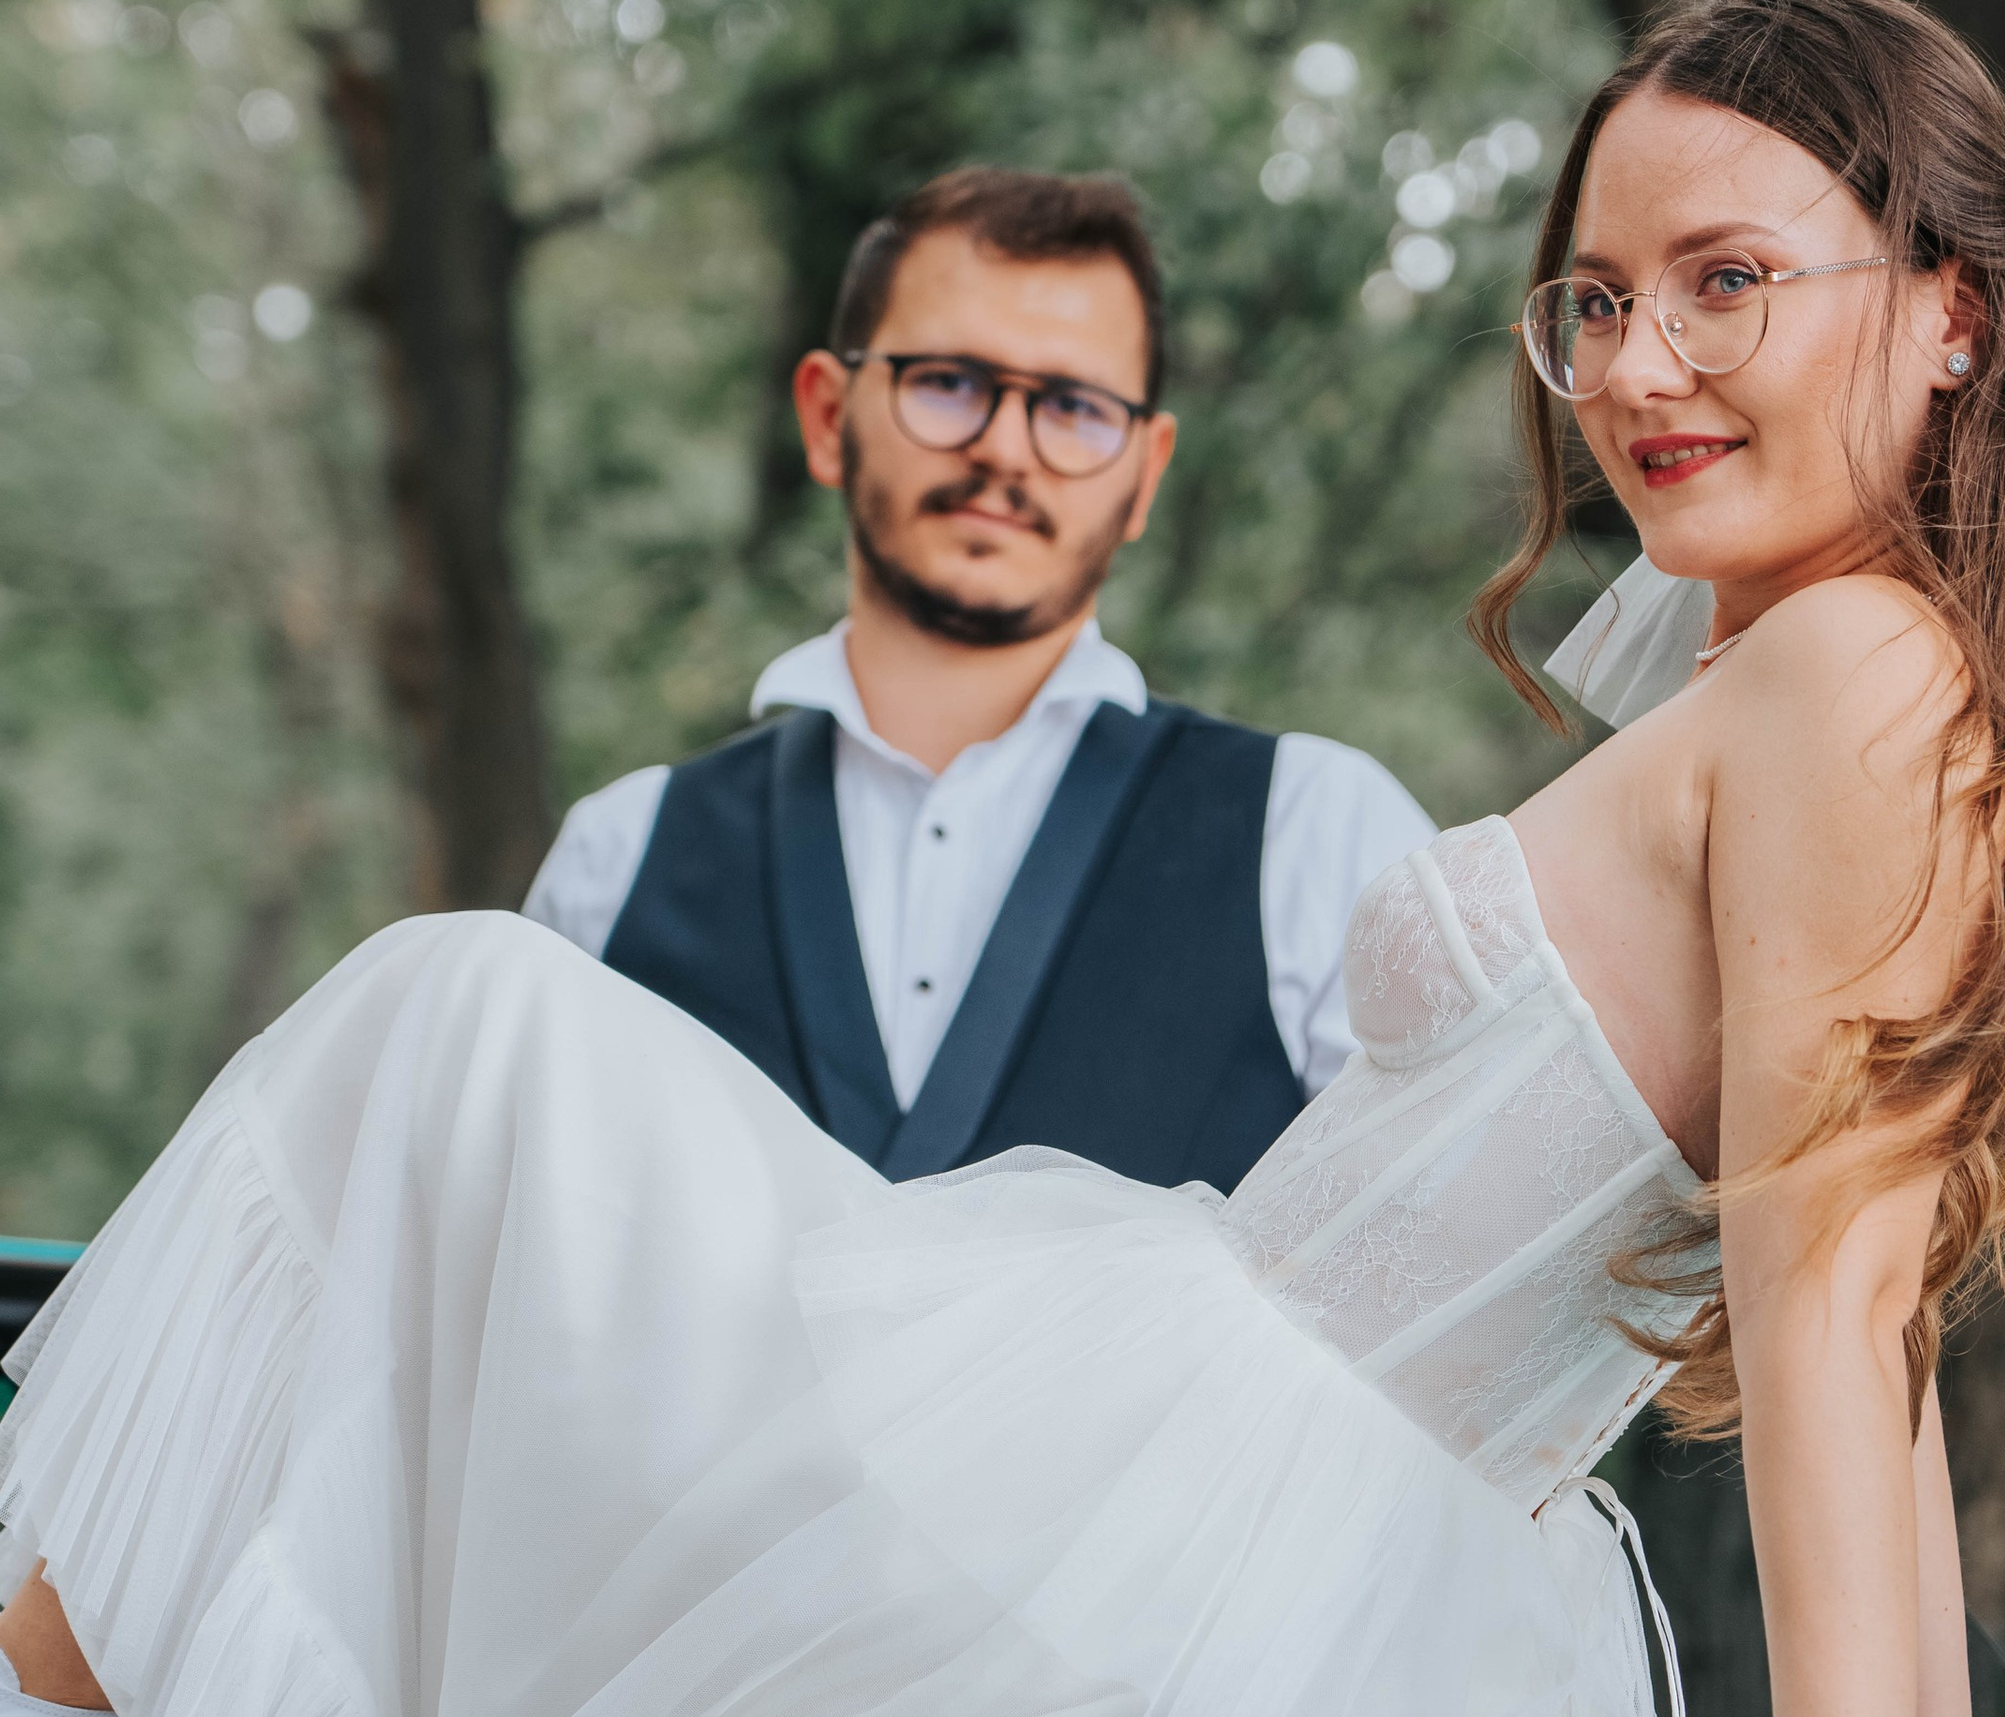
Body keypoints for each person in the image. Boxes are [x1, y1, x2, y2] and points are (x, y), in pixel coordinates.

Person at [0, 0, 2005, 1717]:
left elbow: (1819, 1279)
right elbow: (1857, 1278)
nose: (1633, 365)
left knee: (445, 1035)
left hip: (1182, 1503)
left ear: (1953, 306)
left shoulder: (1846, 683)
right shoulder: (1853, 680)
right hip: (1294, 1553)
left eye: (1722, 283)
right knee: (455, 1099)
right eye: (1589, 297)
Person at [526, 166, 1430, 1190]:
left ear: (1144, 471)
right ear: (828, 416)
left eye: (1075, 407)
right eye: (948, 381)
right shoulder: (613, 865)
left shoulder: (1320, 836)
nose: (1006, 446)